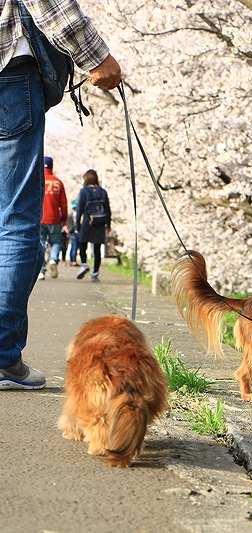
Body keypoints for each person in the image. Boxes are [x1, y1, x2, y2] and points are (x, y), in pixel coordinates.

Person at [0, 0, 122, 390]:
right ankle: (2, 357)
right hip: (8, 71)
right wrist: (96, 57)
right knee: (16, 223)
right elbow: (48, 5)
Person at [75, 169, 110, 282]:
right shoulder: (103, 191)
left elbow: (79, 209)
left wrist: (77, 225)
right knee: (97, 249)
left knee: (82, 244)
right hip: (99, 223)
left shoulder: (84, 191)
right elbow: (108, 210)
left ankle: (84, 264)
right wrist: (108, 224)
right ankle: (95, 273)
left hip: (87, 222)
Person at [38, 156, 67, 280]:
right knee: (56, 242)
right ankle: (53, 260)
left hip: (39, 218)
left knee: (41, 243)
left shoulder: (37, 181)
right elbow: (64, 203)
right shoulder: (58, 182)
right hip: (54, 218)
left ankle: (41, 271)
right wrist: (64, 219)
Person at [67, 199, 79, 266]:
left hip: (72, 232)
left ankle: (72, 260)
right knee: (74, 247)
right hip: (74, 232)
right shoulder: (74, 215)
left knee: (73, 247)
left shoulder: (70, 214)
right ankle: (73, 261)